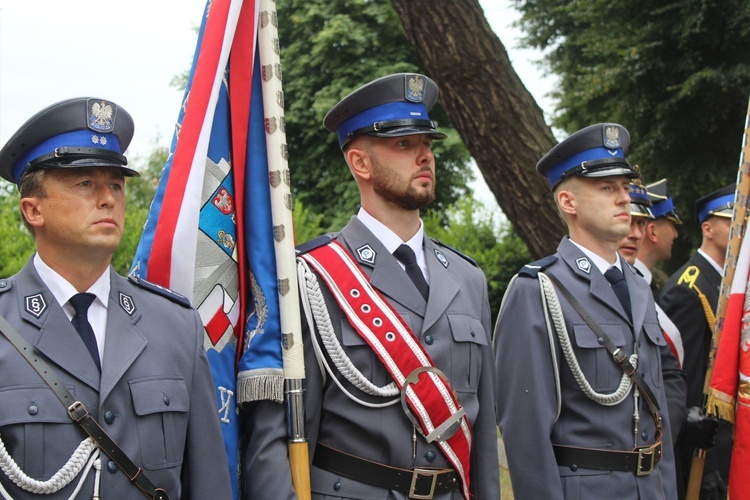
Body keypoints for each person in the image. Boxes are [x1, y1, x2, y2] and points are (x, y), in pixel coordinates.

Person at [242, 73, 500, 499]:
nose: (424, 156)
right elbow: (273, 440)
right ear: (360, 162)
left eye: (428, 143)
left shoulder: (467, 278)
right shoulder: (310, 278)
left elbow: (483, 434)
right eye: (404, 144)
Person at [0, 98, 232, 499]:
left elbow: (208, 481)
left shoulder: (175, 325)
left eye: (116, 184)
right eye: (85, 183)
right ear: (33, 210)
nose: (108, 198)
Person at [495, 123, 677, 498]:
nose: (624, 198)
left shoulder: (639, 286)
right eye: (607, 188)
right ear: (568, 202)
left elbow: (659, 422)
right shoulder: (538, 290)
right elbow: (526, 433)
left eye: (625, 187)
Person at [661, 184, 735, 499]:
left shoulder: (727, 283)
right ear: (708, 227)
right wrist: (704, 465)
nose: (742, 229)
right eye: (733, 221)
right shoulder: (689, 288)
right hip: (708, 455)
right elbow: (686, 387)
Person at [617, 180, 687, 450]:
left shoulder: (641, 290)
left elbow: (670, 376)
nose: (635, 234)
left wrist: (660, 435)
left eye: (641, 224)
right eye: (629, 221)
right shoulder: (551, 288)